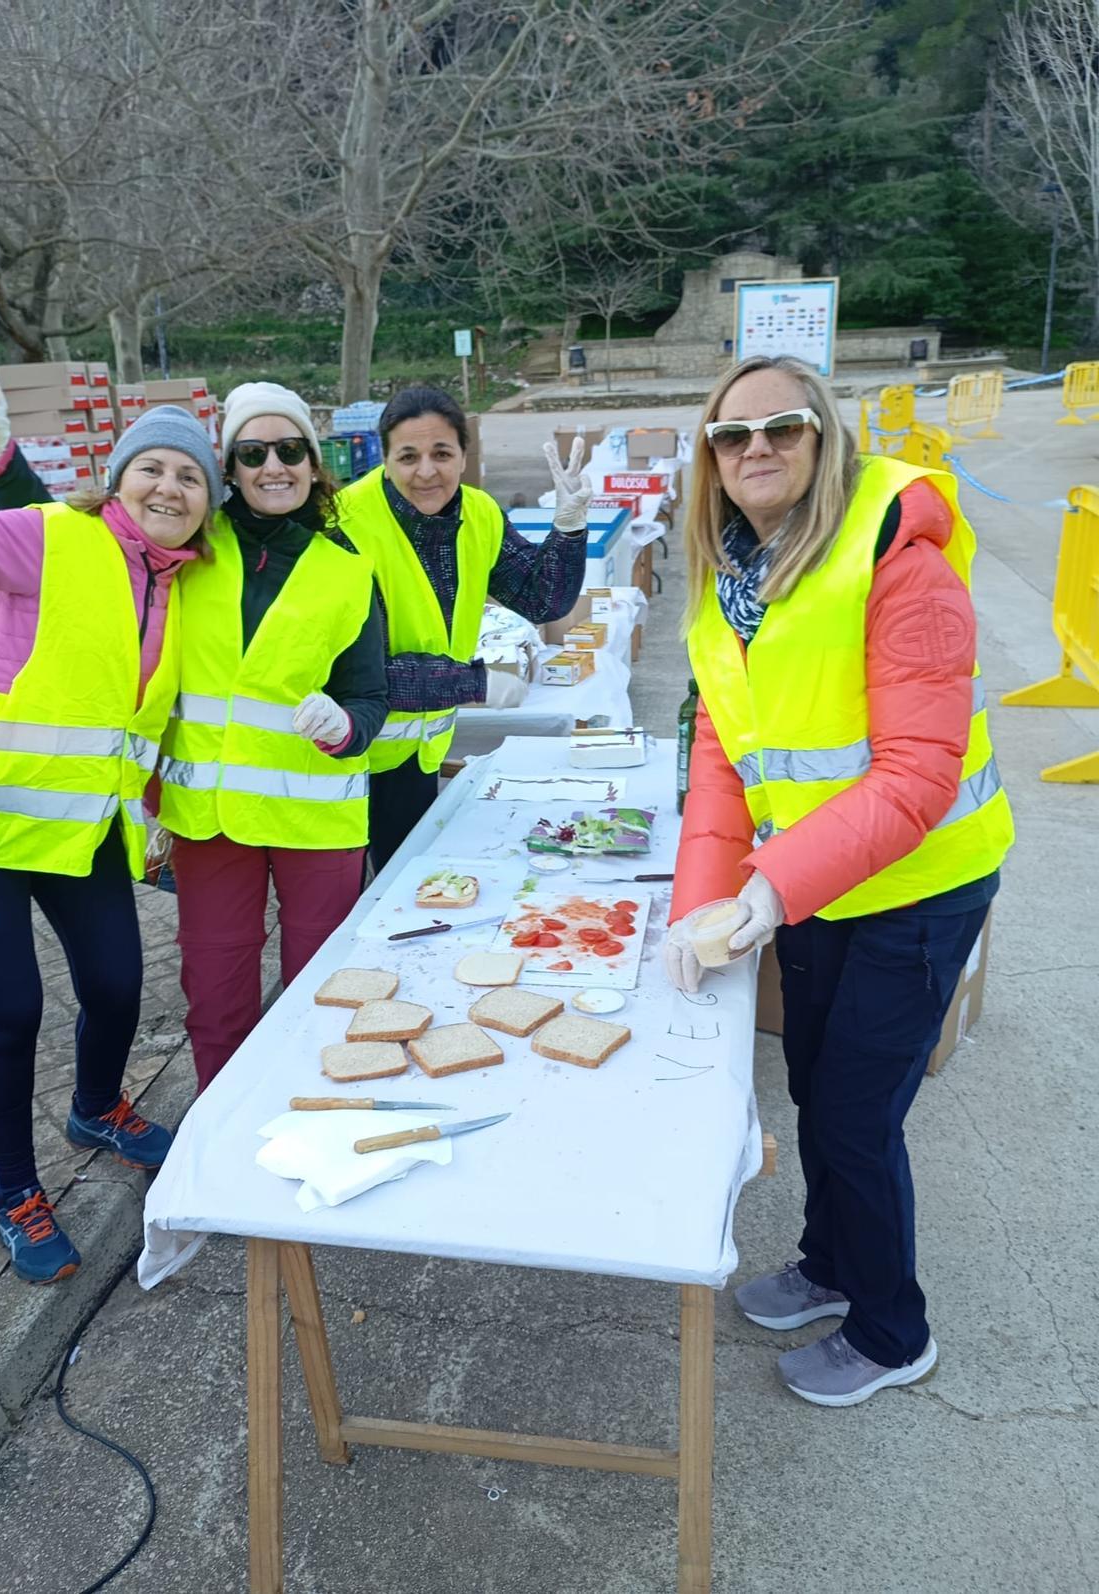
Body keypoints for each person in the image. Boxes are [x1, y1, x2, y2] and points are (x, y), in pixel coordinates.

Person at [665, 354, 1014, 1407]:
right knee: (814, 1087)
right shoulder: (732, 570)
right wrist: (696, 909)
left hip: (921, 880)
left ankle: (890, 1327)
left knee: (856, 1115)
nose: (757, 448)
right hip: (822, 882)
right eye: (735, 435)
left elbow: (917, 773)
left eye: (782, 428)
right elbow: (728, 764)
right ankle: (829, 1262)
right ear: (712, 459)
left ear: (824, 436)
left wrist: (767, 890)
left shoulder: (897, 553)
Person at [0, 377, 389, 1092]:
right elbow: (74, 539)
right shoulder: (184, 548)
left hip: (319, 822)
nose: (272, 466)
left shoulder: (349, 573)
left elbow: (369, 694)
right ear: (230, 470)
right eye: (252, 453)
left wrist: (347, 727)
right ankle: (222, 1130)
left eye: (290, 450)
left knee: (325, 988)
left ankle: (319, 1109)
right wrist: (3, 461)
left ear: (315, 465)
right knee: (217, 995)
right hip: (208, 825)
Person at [0, 405, 222, 1283]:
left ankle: (95, 1109)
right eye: (152, 467)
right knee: (10, 1014)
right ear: (117, 479)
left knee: (118, 984)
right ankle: (15, 1195)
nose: (169, 486)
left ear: (208, 503)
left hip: (80, 835)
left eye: (191, 476)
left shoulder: (183, 587)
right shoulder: (47, 537)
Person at [335, 386, 592, 870]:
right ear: (384, 458)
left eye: (441, 453)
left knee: (403, 886)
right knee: (342, 907)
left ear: (462, 455)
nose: (426, 471)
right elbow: (362, 675)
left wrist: (570, 529)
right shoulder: (346, 527)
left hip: (415, 755)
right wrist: (476, 683)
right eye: (408, 456)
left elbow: (543, 599)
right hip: (342, 754)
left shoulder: (479, 513)